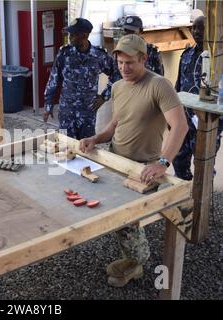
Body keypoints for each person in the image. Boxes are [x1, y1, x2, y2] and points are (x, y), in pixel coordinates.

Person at [79, 34, 188, 287]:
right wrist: (95, 138)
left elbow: (180, 126)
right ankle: (131, 254)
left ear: (143, 58)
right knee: (111, 213)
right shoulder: (117, 87)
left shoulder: (158, 85)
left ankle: (137, 261)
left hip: (143, 168)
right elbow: (115, 125)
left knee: (128, 219)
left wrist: (163, 162)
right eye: (119, 63)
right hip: (116, 161)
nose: (124, 69)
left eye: (130, 63)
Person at [43, 18, 114, 139]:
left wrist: (104, 96)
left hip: (87, 112)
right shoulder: (64, 53)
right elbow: (54, 78)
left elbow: (117, 74)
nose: (69, 37)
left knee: (86, 149)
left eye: (73, 34)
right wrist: (48, 104)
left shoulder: (99, 56)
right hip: (67, 111)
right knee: (65, 147)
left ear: (84, 35)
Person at [173, 15, 223, 180]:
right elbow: (178, 85)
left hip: (207, 120)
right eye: (194, 28)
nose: (196, 31)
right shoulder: (187, 54)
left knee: (204, 164)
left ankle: (203, 200)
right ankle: (183, 197)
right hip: (184, 119)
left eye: (200, 28)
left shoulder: (218, 59)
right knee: (179, 159)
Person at [99, 15, 164, 106]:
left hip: (145, 100)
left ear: (140, 31)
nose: (128, 34)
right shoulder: (120, 51)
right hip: (125, 98)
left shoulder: (151, 51)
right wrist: (104, 96)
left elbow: (159, 77)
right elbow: (116, 76)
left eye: (132, 31)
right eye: (126, 31)